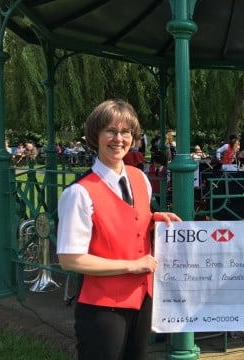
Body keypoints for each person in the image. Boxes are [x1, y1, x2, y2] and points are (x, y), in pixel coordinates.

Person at [56, 99, 181, 360]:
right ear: (95, 136)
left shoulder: (140, 177)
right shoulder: (79, 193)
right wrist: (131, 265)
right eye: (110, 131)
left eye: (125, 132)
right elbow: (70, 259)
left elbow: (130, 219)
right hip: (103, 308)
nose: (119, 139)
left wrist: (152, 218)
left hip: (142, 299)